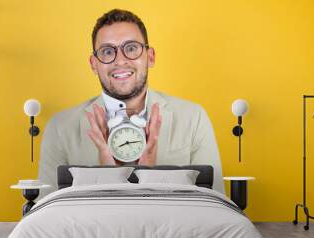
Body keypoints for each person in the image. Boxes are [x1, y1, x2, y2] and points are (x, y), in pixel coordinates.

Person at [37, 9, 224, 200]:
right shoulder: (60, 127)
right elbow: (43, 211)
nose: (120, 60)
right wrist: (107, 177)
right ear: (94, 64)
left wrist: (150, 177)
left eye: (132, 48)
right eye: (108, 51)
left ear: (150, 57)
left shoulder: (193, 118)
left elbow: (216, 203)